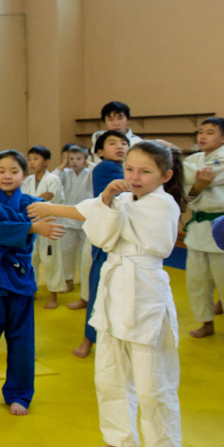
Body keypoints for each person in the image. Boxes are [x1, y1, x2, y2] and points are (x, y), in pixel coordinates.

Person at [29, 141, 185, 447]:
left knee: (154, 386)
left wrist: (105, 203)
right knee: (109, 376)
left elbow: (110, 228)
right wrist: (62, 206)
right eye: (129, 169)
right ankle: (119, 438)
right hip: (114, 293)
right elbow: (89, 213)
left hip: (145, 294)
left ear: (166, 175)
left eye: (145, 171)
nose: (135, 177)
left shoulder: (163, 204)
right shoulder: (123, 199)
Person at [0, 150, 65, 415]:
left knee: (22, 338)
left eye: (14, 171)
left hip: (20, 275)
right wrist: (30, 227)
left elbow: (24, 233)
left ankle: (19, 393)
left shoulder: (33, 203)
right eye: (2, 171)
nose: (7, 176)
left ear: (24, 175)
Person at [73, 130, 130, 359]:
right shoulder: (106, 168)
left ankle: (100, 340)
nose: (120, 146)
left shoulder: (125, 169)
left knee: (113, 294)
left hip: (119, 239)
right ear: (100, 152)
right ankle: (88, 339)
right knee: (99, 291)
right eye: (113, 143)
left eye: (124, 143)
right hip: (107, 240)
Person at [183, 116, 224, 338]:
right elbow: (188, 190)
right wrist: (197, 185)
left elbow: (209, 177)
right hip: (198, 228)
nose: (202, 136)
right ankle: (206, 322)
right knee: (197, 282)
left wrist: (175, 159)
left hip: (221, 226)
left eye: (209, 132)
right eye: (200, 132)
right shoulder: (194, 159)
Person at [24, 145, 65, 309]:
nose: (32, 162)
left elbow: (53, 199)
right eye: (30, 159)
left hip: (49, 224)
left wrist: (34, 201)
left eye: (36, 159)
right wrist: (39, 199)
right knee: (30, 258)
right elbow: (24, 201)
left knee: (51, 260)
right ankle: (32, 290)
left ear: (46, 162)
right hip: (32, 224)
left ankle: (53, 295)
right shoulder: (27, 181)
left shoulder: (53, 180)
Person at [56, 145, 94, 305]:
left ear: (85, 160)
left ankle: (85, 285)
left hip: (86, 218)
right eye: (71, 159)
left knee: (84, 256)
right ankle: (68, 280)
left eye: (78, 158)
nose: (74, 162)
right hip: (68, 219)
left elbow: (95, 170)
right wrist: (63, 164)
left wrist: (89, 163)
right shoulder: (65, 173)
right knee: (66, 252)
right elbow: (53, 179)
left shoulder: (90, 173)